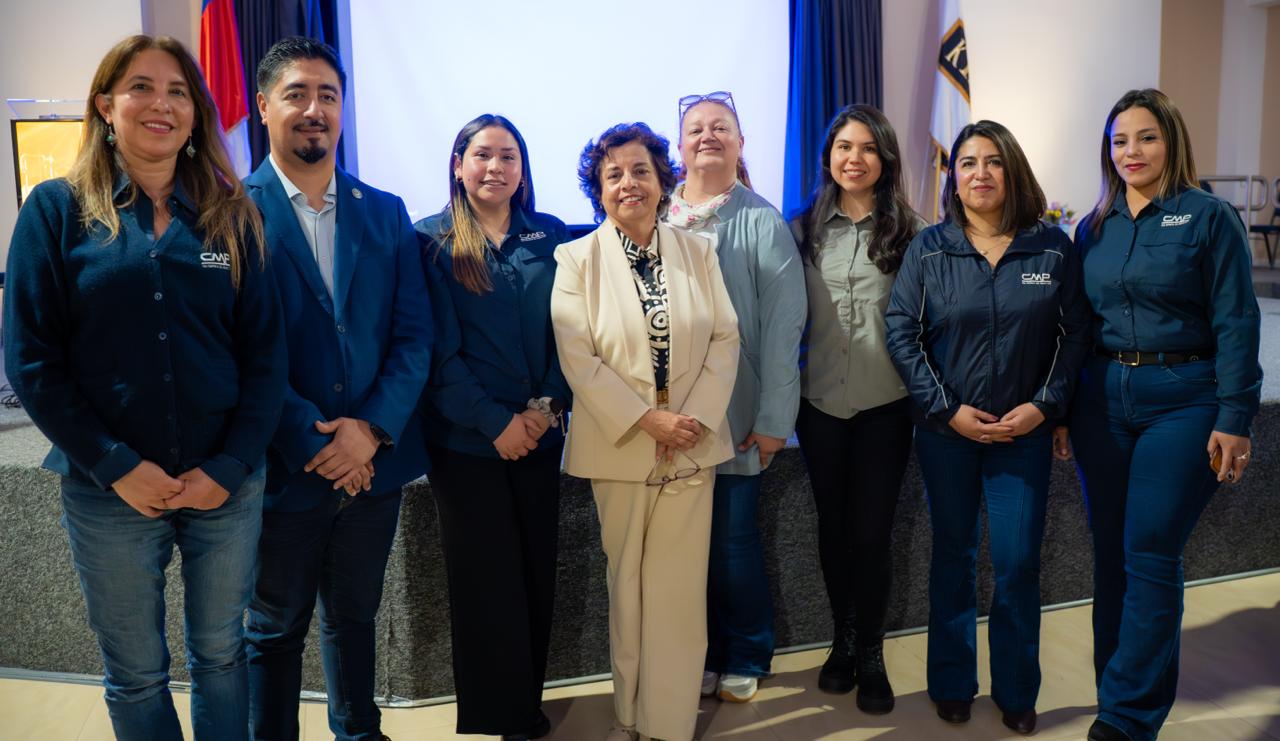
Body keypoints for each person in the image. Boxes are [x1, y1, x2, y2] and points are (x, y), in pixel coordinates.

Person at [2, 34, 285, 740]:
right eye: (141, 87)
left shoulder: (231, 214)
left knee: (222, 655)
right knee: (134, 672)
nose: (162, 103)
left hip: (225, 486)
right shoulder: (55, 211)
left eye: (178, 91)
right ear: (106, 105)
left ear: (195, 115)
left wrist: (229, 467)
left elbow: (265, 359)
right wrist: (117, 465)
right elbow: (32, 361)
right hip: (109, 492)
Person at [242, 37, 434, 741]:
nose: (314, 109)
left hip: (373, 466)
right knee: (273, 629)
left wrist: (370, 430)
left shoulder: (383, 210)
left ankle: (359, 733)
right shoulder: (228, 212)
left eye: (327, 95)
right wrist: (316, 442)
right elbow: (238, 351)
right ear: (264, 107)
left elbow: (414, 335)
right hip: (282, 467)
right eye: (296, 94)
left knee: (355, 616)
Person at [1067, 89, 1262, 741]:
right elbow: (1078, 326)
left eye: (1146, 137)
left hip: (1184, 399)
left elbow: (1238, 319)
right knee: (1111, 556)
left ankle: (1127, 718)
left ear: (1171, 141)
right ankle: (1113, 693)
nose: (1132, 151)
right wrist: (1062, 409)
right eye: (1119, 140)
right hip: (1101, 401)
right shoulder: (1093, 226)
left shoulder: (1208, 217)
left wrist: (1236, 414)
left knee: (1150, 550)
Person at [884, 120, 1091, 735]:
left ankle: (1017, 692)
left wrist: (1045, 407)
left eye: (993, 161)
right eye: (968, 163)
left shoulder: (1051, 248)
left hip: (1023, 436)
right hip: (947, 434)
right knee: (953, 555)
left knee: (1018, 563)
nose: (981, 173)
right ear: (954, 177)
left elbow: (1075, 336)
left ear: (1012, 170)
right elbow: (901, 332)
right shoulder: (930, 248)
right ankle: (952, 683)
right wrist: (947, 409)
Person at [551, 122, 739, 741]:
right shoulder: (576, 260)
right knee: (627, 586)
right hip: (620, 445)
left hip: (691, 444)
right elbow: (579, 358)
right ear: (598, 190)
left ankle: (670, 723)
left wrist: (692, 421)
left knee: (678, 594)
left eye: (640, 171)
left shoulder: (699, 252)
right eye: (614, 174)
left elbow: (725, 338)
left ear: (663, 181)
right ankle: (629, 717)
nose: (629, 183)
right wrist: (646, 419)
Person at [415, 114, 571, 740]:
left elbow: (572, 332)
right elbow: (434, 353)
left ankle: (525, 705)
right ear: (458, 165)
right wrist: (495, 423)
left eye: (508, 156)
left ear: (522, 170)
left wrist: (544, 408)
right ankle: (496, 715)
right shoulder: (428, 241)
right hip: (465, 446)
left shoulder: (550, 235)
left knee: (535, 574)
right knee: (487, 582)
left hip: (539, 435)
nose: (495, 167)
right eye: (482, 155)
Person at [664, 91, 805, 704]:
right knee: (678, 551)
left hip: (737, 415)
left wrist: (774, 419)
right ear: (679, 145)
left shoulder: (761, 221)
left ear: (741, 143)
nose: (708, 136)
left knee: (731, 544)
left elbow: (784, 327)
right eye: (696, 128)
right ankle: (696, 653)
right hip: (664, 418)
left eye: (721, 127)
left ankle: (745, 652)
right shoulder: (654, 213)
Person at [791, 104, 924, 714]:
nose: (854, 158)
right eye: (844, 146)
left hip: (884, 407)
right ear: (829, 157)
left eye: (868, 148)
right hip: (819, 404)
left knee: (871, 535)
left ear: (885, 159)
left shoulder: (913, 233)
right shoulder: (801, 230)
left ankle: (871, 651)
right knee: (833, 529)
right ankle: (841, 640)